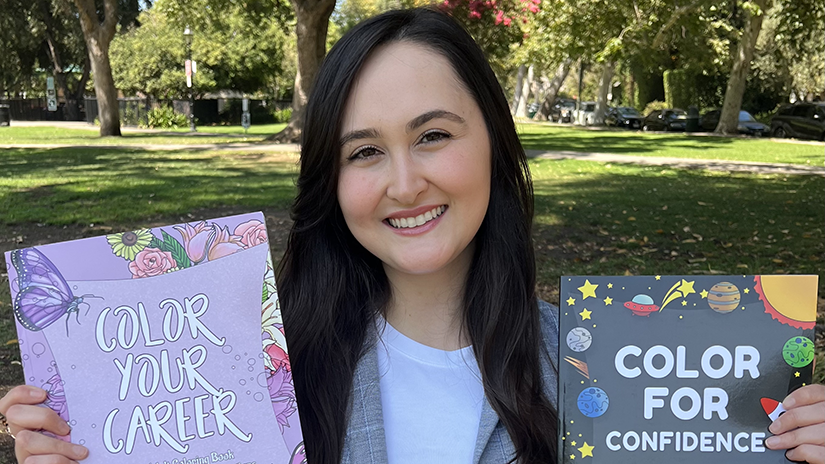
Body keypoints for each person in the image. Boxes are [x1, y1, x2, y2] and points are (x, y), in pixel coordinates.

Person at [1, 7, 824, 464]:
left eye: (432, 135)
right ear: (333, 179)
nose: (403, 182)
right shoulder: (237, 377)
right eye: (365, 151)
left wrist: (792, 449)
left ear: (496, 149)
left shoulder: (617, 368)